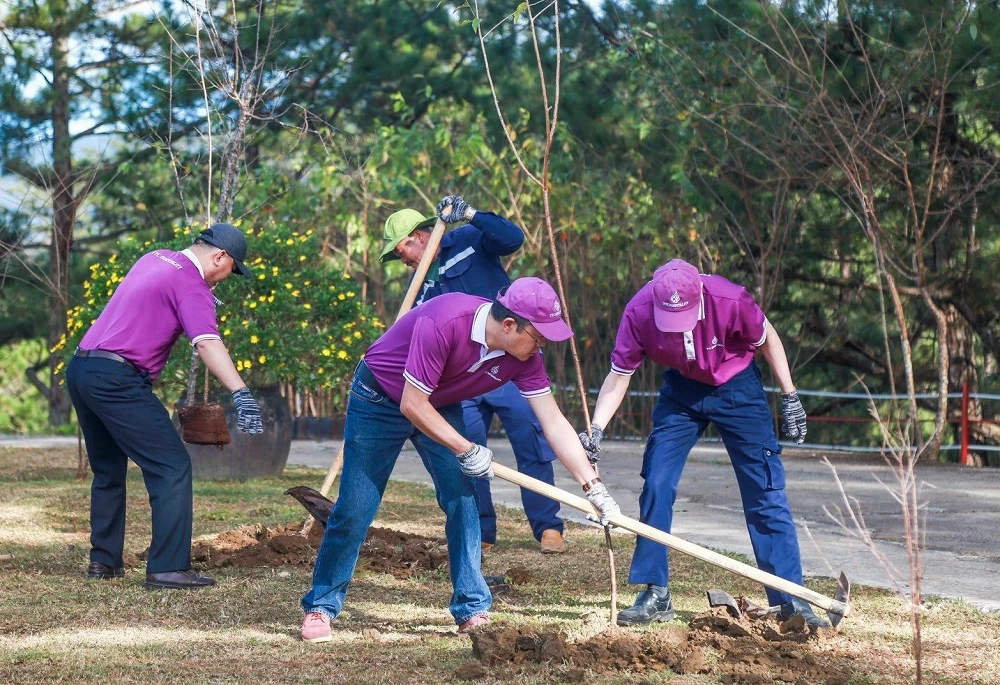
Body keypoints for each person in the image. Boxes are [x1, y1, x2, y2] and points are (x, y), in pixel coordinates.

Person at [300, 277, 620, 643]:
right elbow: (411, 404)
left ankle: (471, 607)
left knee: (464, 501)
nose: (542, 345)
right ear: (510, 324)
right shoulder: (445, 320)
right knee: (357, 507)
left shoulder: (525, 356)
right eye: (539, 336)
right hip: (381, 400)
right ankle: (321, 605)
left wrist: (593, 487)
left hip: (438, 402)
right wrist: (466, 448)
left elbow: (552, 421)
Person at [578, 258, 828, 628]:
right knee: (658, 482)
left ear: (699, 297)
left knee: (765, 489)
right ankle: (655, 593)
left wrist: (790, 394)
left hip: (737, 386)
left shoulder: (729, 297)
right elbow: (620, 375)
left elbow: (767, 335)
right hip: (681, 392)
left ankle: (790, 600)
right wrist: (596, 428)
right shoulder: (639, 311)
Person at [66, 223, 264, 590]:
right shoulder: (192, 284)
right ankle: (168, 568)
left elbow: (150, 304)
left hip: (82, 368)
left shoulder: (155, 257)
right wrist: (241, 393)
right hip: (115, 379)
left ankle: (104, 562)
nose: (227, 277)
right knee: (171, 466)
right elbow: (206, 343)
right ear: (219, 256)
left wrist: (198, 297)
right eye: (231, 269)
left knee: (108, 470)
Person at [378, 195, 566, 554]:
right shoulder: (417, 289)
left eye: (402, 250)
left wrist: (472, 215)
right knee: (467, 452)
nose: (402, 260)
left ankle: (547, 527)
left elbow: (512, 239)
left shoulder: (467, 240)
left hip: (506, 368)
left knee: (531, 440)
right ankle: (482, 532)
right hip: (462, 385)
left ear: (420, 236)